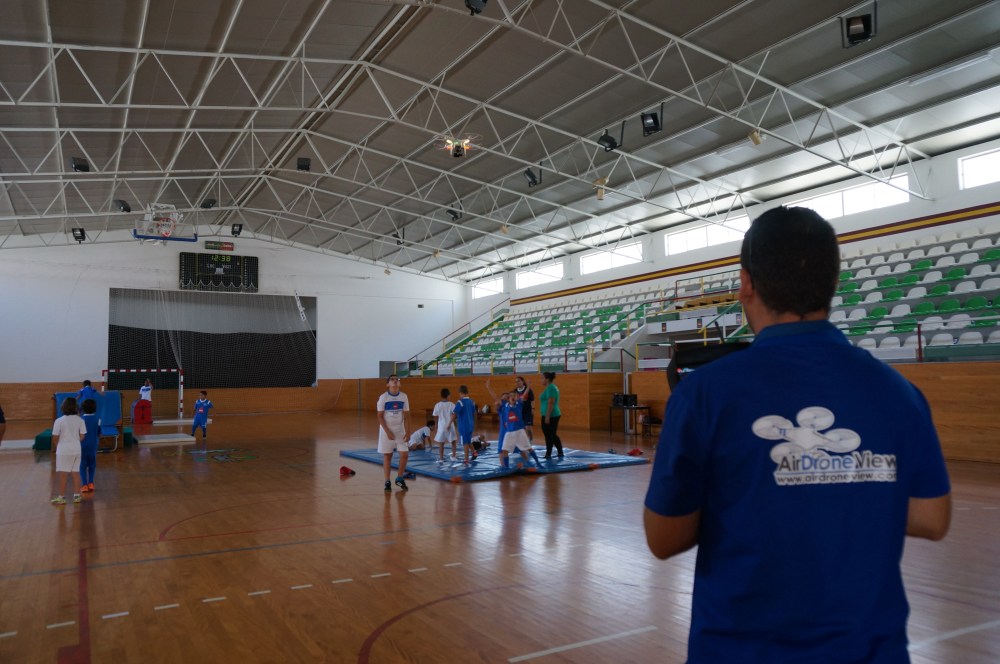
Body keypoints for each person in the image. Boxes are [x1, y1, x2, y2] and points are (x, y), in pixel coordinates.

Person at [643, 206, 952, 663]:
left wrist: (771, 494)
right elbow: (931, 518)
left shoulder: (705, 394)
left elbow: (664, 538)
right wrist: (842, 487)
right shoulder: (899, 392)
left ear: (747, 282)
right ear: (833, 282)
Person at [486, 379, 540, 469]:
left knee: (522, 449)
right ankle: (504, 467)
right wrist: (489, 388)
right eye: (506, 396)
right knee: (502, 451)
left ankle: (531, 462)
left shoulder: (517, 403)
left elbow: (523, 395)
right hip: (507, 432)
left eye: (509, 396)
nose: (507, 397)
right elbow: (495, 398)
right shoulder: (503, 406)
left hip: (517, 430)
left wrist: (529, 386)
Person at [376, 374, 411, 492]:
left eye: (397, 379)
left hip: (400, 429)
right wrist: (387, 431)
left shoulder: (404, 397)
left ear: (400, 384)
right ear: (388, 384)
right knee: (388, 455)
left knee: (404, 454)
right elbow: (380, 416)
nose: (395, 381)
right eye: (392, 379)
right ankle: (387, 481)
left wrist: (408, 431)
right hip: (386, 429)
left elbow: (407, 415)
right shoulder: (383, 397)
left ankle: (399, 478)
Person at [51, 397, 87, 505]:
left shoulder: (59, 421)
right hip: (77, 449)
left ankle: (61, 497)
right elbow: (82, 435)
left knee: (63, 475)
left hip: (64, 450)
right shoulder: (80, 420)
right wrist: (75, 441)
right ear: (76, 407)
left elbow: (55, 437)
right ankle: (77, 496)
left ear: (63, 407)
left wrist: (59, 446)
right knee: (76, 473)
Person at [538, 372, 564, 458]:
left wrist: (547, 416)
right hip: (551, 414)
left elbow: (551, 403)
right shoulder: (550, 388)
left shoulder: (551, 388)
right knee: (551, 434)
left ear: (547, 379)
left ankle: (548, 454)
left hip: (551, 415)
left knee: (549, 435)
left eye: (542, 378)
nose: (541, 380)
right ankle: (559, 452)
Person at [453, 385, 478, 464]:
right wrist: (475, 423)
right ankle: (474, 452)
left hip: (463, 425)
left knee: (465, 443)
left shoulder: (460, 402)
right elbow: (474, 413)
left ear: (460, 393)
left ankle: (466, 459)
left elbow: (454, 413)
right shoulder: (471, 401)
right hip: (470, 424)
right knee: (468, 440)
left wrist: (449, 422)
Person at [79, 398, 100, 493]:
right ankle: (91, 483)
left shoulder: (80, 420)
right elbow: (99, 433)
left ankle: (84, 485)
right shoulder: (97, 419)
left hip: (82, 445)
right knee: (92, 465)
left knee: (82, 466)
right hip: (93, 445)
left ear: (82, 408)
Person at [432, 388, 458, 463]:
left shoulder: (437, 405)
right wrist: (450, 423)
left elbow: (435, 415)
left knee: (441, 443)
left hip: (441, 426)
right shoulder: (451, 404)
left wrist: (436, 424)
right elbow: (454, 414)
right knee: (453, 442)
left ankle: (441, 458)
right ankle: (453, 456)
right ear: (448, 396)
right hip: (450, 425)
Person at [513, 376, 535, 441]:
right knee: (521, 428)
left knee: (528, 427)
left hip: (528, 411)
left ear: (522, 381)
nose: (517, 383)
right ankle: (523, 441)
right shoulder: (515, 391)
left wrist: (533, 408)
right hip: (519, 412)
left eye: (518, 381)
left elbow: (532, 400)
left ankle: (531, 440)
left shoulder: (528, 390)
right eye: (516, 382)